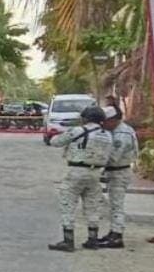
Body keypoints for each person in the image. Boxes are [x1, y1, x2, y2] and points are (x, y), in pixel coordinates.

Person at [48, 105, 114, 252]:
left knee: (68, 204)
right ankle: (92, 239)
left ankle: (68, 240)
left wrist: (54, 136)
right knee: (92, 206)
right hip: (96, 173)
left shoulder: (78, 131)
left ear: (86, 118)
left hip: (77, 171)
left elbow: (56, 142)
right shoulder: (108, 135)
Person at [98, 103, 137, 249]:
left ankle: (117, 236)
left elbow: (113, 157)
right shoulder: (118, 131)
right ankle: (113, 232)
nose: (104, 124)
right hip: (115, 171)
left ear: (114, 120)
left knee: (116, 205)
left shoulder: (122, 135)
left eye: (106, 121)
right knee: (114, 204)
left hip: (119, 172)